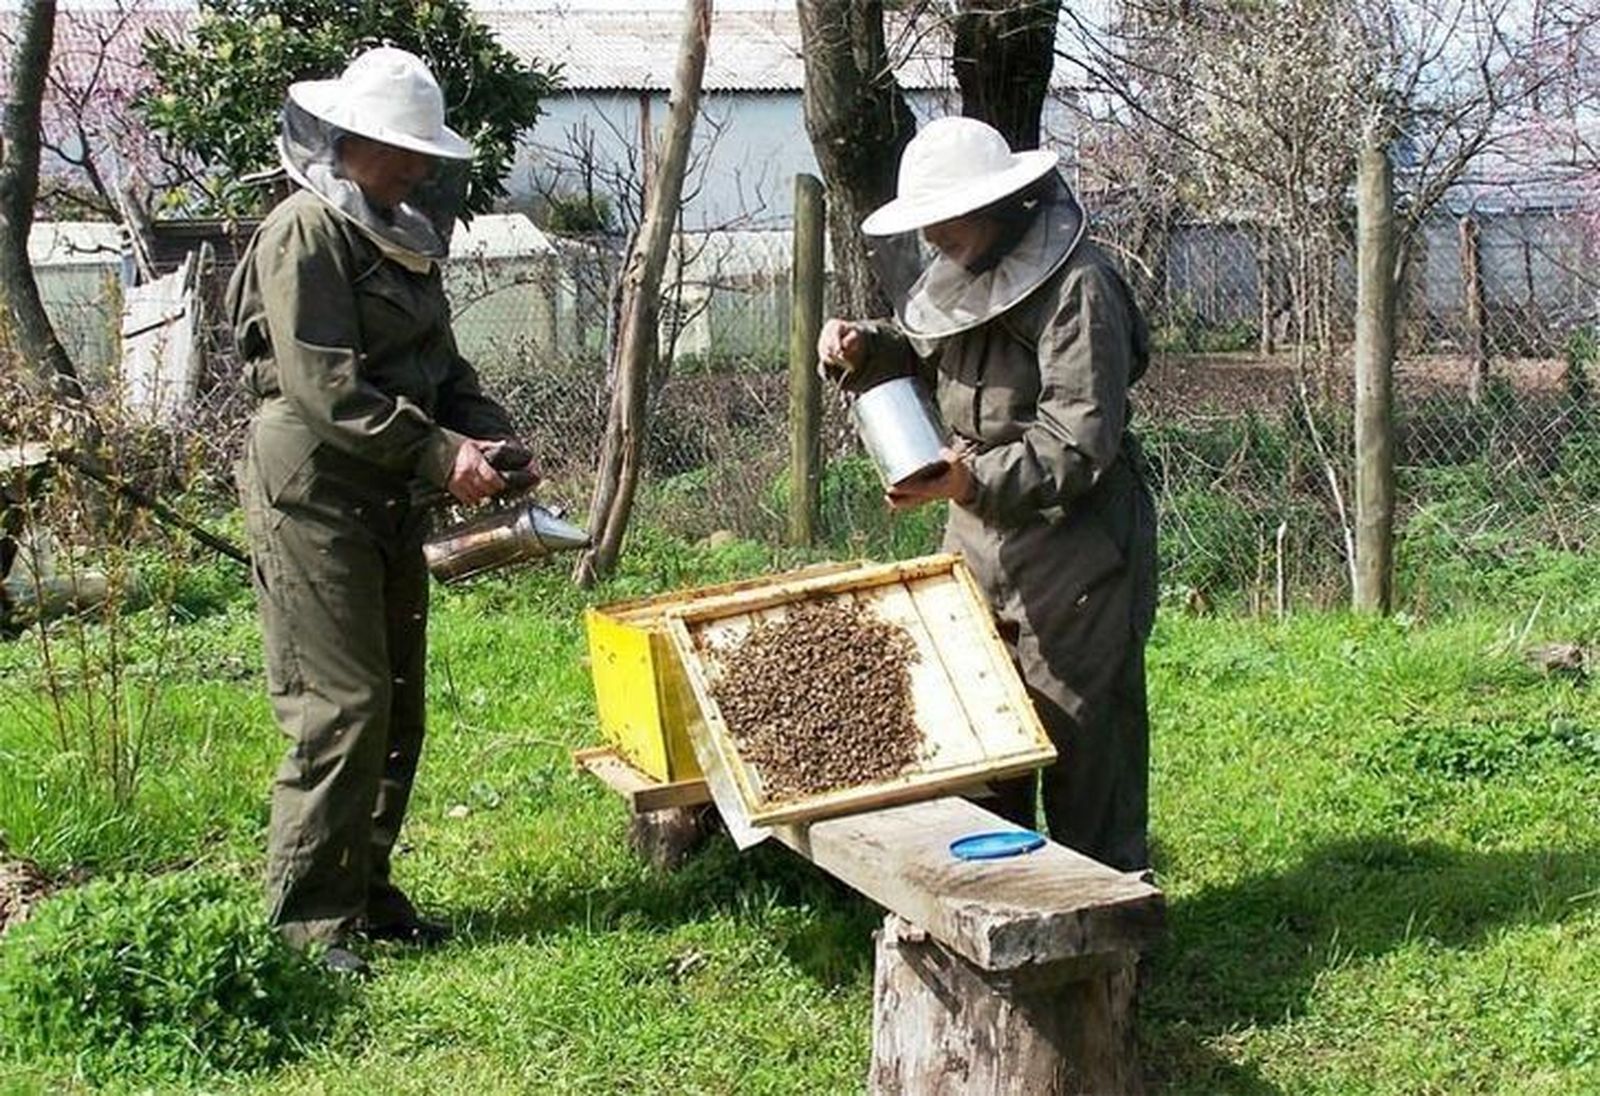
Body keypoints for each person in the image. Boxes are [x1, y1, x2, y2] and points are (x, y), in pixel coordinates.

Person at [227, 47, 533, 974]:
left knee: (398, 701)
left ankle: (366, 889)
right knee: (341, 703)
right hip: (314, 486)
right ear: (350, 140)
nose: (418, 167)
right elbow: (326, 387)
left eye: (422, 151)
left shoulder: (395, 232)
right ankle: (309, 922)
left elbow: (443, 371)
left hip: (387, 485)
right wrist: (444, 455)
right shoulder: (305, 233)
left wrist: (490, 437)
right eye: (402, 150)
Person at [819, 117, 1156, 873]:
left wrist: (971, 480)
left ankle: (1106, 944)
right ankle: (994, 907)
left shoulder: (1080, 288)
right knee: (979, 728)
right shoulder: (964, 271)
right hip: (974, 539)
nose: (933, 234)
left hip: (1077, 546)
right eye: (925, 220)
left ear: (998, 203)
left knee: (1081, 736)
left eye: (945, 215)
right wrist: (865, 346)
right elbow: (930, 343)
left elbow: (1079, 443)